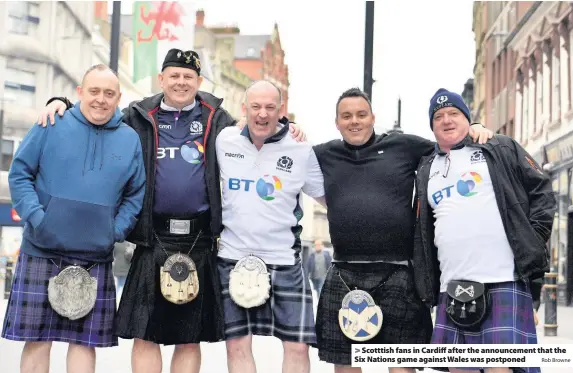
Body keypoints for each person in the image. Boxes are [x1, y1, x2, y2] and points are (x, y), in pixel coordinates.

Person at [36, 49, 304, 373]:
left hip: (199, 239)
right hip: (153, 237)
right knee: (145, 334)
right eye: (174, 75)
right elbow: (97, 114)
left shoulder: (215, 117)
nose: (180, 82)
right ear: (161, 78)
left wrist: (287, 126)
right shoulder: (137, 115)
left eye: (188, 76)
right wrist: (60, 102)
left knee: (188, 337)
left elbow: (255, 126)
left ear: (199, 81)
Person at [312, 87, 493, 373]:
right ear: (337, 122)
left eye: (361, 114)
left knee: (400, 367)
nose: (354, 121)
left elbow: (448, 141)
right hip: (344, 272)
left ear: (373, 117)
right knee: (345, 366)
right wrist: (287, 127)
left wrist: (475, 128)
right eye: (346, 116)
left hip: (398, 273)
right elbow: (284, 152)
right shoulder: (323, 153)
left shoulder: (404, 146)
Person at [1, 64, 145, 373]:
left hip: (95, 254)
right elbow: (20, 173)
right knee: (38, 340)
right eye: (94, 91)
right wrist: (38, 218)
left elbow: (136, 194)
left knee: (84, 344)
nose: (101, 100)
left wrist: (115, 230)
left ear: (118, 97)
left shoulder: (130, 139)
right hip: (42, 248)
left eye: (109, 94)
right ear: (79, 93)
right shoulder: (51, 122)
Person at [413, 88, 554, 373]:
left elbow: (542, 190)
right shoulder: (427, 167)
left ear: (467, 118)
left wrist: (533, 240)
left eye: (454, 113)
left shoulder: (498, 147)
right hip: (451, 286)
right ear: (431, 126)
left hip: (502, 279)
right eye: (438, 116)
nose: (447, 120)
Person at [215, 80, 326, 373]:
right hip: (233, 257)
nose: (262, 114)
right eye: (255, 107)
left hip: (284, 259)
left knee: (298, 346)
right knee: (237, 344)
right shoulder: (224, 140)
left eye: (269, 107)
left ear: (281, 110)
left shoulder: (300, 148)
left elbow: (329, 199)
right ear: (244, 109)